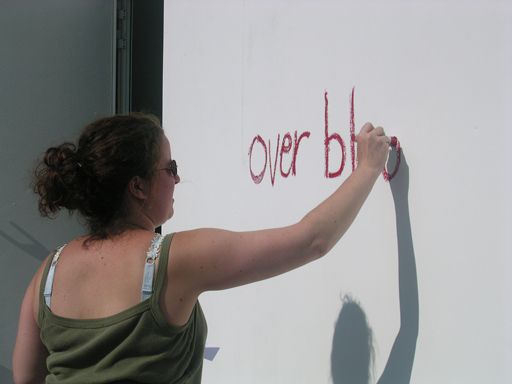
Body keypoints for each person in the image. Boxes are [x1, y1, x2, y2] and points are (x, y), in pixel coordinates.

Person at [12, 113, 390, 383]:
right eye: (169, 167)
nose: (178, 178)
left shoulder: (48, 272)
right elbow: (312, 240)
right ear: (138, 187)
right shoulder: (172, 260)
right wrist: (368, 168)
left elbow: (26, 377)